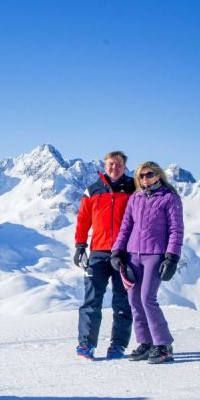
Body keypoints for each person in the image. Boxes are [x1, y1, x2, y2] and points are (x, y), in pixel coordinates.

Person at [111, 161, 183, 364]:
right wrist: (117, 251)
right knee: (133, 300)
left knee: (147, 298)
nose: (144, 179)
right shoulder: (136, 198)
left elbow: (176, 230)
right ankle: (146, 342)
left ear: (158, 175)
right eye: (141, 175)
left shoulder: (169, 198)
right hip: (133, 255)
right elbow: (125, 227)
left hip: (155, 254)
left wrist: (172, 257)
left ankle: (163, 344)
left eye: (149, 174)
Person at [73, 151, 135, 359]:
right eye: (110, 164)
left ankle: (118, 345)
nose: (114, 168)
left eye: (118, 164)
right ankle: (86, 344)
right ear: (104, 165)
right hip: (98, 252)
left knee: (122, 301)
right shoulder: (93, 191)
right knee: (91, 300)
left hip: (125, 253)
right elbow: (83, 220)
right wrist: (80, 246)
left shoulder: (133, 189)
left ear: (124, 166)